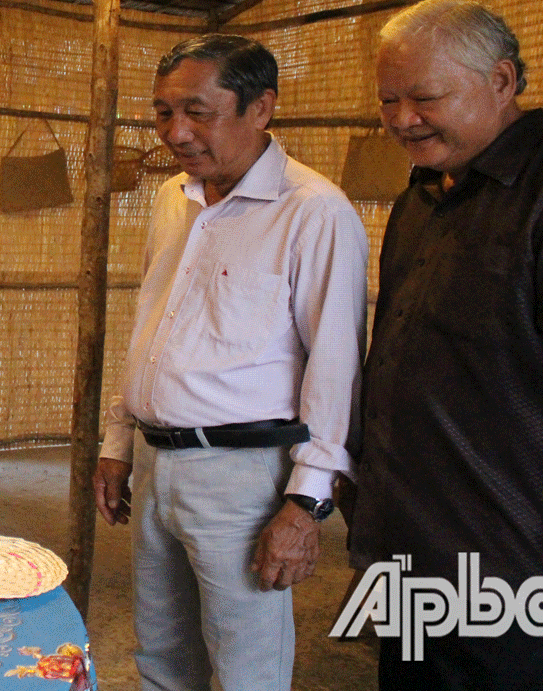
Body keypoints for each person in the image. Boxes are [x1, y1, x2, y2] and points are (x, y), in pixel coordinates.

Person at [347, 0, 543, 689]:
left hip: (522, 569)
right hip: (418, 557)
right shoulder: (423, 197)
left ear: (503, 81)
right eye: (389, 99)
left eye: (425, 97)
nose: (401, 119)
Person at [93, 34, 368, 691]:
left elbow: (337, 370)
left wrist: (305, 505)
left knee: (247, 671)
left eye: (198, 111)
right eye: (163, 113)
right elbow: (149, 326)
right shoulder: (173, 199)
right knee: (160, 656)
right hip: (159, 465)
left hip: (244, 478)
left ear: (261, 108)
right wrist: (117, 440)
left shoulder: (314, 212)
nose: (176, 132)